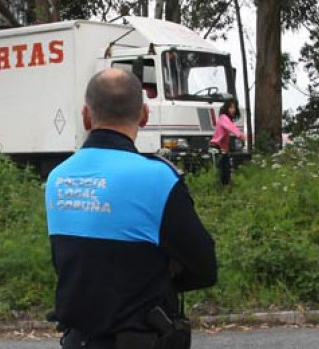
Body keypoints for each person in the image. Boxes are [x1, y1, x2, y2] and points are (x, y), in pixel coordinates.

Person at [45, 68, 217, 349]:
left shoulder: (57, 178)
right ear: (144, 115)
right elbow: (205, 269)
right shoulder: (158, 178)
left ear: (86, 116)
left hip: (78, 341)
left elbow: (76, 263)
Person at [209, 98, 245, 187]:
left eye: (234, 107)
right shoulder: (223, 118)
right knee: (222, 170)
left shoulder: (226, 119)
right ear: (226, 108)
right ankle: (220, 188)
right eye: (230, 107)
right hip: (216, 147)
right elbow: (231, 127)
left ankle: (225, 187)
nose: (233, 110)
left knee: (226, 170)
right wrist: (240, 135)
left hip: (222, 148)